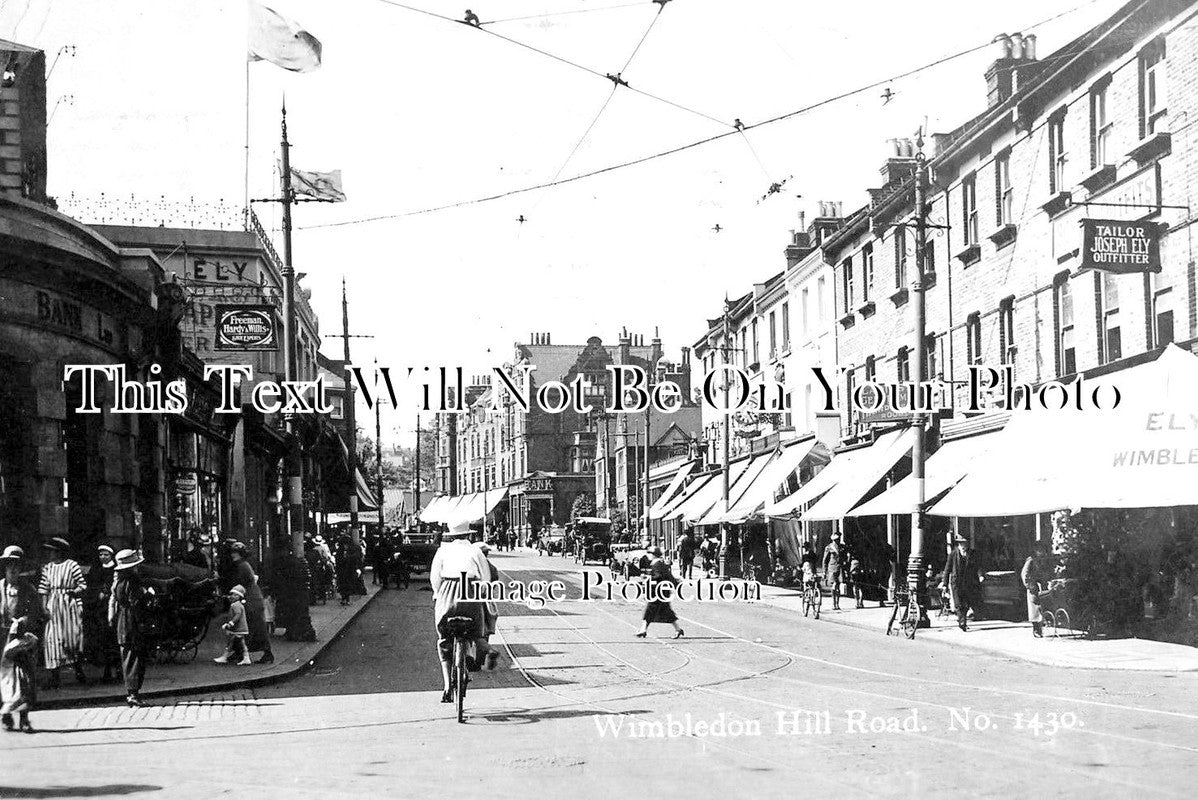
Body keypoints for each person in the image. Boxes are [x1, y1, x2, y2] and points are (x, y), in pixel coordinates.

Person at [431, 520, 499, 703]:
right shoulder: (475, 551)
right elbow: (485, 578)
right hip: (470, 593)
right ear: (469, 535)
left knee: (444, 640)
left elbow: (434, 578)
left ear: (451, 534)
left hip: (447, 593)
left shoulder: (442, 550)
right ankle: (483, 649)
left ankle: (447, 686)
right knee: (477, 632)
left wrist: (439, 594)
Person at [38, 537, 88, 688]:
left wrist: (74, 592)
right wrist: (44, 607)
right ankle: (55, 676)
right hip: (53, 605)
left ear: (59, 552)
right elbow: (43, 589)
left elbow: (82, 584)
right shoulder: (48, 568)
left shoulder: (72, 565)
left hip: (68, 604)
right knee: (52, 639)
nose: (50, 554)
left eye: (52, 551)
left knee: (71, 637)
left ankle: (79, 671)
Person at [110, 549, 153, 707]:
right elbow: (136, 603)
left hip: (123, 620)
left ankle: (131, 693)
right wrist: (148, 595)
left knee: (127, 657)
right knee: (135, 657)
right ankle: (133, 694)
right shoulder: (133, 581)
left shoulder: (119, 582)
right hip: (133, 621)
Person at [224, 542, 273, 664]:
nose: (233, 555)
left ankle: (265, 653)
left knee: (250, 626)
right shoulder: (242, 565)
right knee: (248, 627)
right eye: (233, 553)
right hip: (251, 598)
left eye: (236, 553)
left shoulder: (241, 566)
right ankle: (240, 652)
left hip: (250, 599)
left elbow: (241, 584)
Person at [84, 545, 120, 683]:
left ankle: (118, 669)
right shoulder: (96, 570)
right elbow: (91, 587)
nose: (103, 557)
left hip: (112, 609)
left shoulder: (115, 569)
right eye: (101, 555)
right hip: (99, 611)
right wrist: (96, 594)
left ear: (111, 555)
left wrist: (106, 593)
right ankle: (106, 671)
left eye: (106, 555)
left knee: (114, 641)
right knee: (103, 641)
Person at [635, 547, 684, 639]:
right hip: (662, 592)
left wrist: (647, 578)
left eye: (649, 553)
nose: (648, 555)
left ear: (653, 555)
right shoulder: (659, 563)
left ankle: (643, 630)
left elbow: (658, 576)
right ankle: (678, 629)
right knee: (666, 612)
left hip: (658, 592)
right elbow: (669, 576)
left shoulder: (657, 564)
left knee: (650, 609)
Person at [1, 616, 37, 733]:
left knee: (25, 695)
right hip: (10, 673)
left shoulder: (27, 639)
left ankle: (24, 721)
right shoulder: (11, 645)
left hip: (22, 672)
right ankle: (6, 719)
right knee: (10, 697)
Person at [944, 536, 981, 631]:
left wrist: (980, 575)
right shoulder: (953, 554)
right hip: (956, 582)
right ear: (958, 545)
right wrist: (945, 584)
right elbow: (947, 570)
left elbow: (977, 567)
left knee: (966, 603)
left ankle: (962, 620)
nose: (963, 546)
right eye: (961, 544)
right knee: (958, 603)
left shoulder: (972, 554)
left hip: (968, 582)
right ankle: (962, 622)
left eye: (964, 544)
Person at [0, 546, 38, 632]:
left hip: (20, 634)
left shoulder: (28, 589)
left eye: (16, 564)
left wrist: (24, 620)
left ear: (21, 567)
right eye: (9, 564)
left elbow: (35, 612)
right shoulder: (0, 587)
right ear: (5, 566)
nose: (13, 568)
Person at [214, 585, 251, 666]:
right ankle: (245, 658)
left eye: (236, 595)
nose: (233, 596)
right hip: (240, 628)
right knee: (239, 643)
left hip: (238, 628)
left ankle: (225, 657)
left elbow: (237, 615)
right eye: (232, 594)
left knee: (233, 642)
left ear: (239, 596)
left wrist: (230, 623)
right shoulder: (237, 604)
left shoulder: (235, 605)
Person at [1021, 543, 1051, 638]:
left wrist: (1044, 583)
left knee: (1040, 607)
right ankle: (1036, 630)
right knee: (1034, 608)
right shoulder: (1030, 560)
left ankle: (1040, 629)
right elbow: (1024, 574)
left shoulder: (1040, 560)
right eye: (1040, 550)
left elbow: (1041, 574)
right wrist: (1029, 586)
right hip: (1032, 587)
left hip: (1039, 586)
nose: (1042, 552)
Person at [335, 535, 363, 605]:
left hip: (348, 570)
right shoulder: (341, 551)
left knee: (346, 584)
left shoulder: (350, 550)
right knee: (343, 584)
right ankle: (344, 598)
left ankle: (346, 598)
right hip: (343, 570)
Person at [822, 532, 846, 611]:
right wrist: (824, 571)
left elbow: (844, 557)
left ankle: (837, 603)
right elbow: (825, 560)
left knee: (838, 586)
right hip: (832, 568)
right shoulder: (829, 547)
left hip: (840, 568)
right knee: (834, 586)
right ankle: (833, 602)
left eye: (838, 539)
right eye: (836, 540)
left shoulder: (842, 547)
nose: (837, 541)